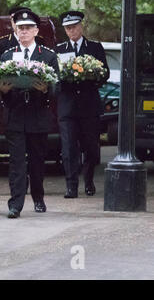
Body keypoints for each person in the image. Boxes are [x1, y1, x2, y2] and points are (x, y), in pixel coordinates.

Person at [0, 10, 59, 218]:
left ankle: (38, 197)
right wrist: (3, 91)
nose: (23, 32)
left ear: (36, 31)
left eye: (27, 28)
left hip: (38, 116)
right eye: (20, 28)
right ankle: (15, 204)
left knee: (37, 161)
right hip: (15, 116)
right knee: (16, 162)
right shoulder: (7, 55)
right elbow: (0, 88)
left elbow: (56, 88)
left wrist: (45, 90)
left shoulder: (48, 55)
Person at [55, 11, 109, 198]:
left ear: (81, 27)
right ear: (65, 30)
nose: (72, 31)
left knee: (91, 148)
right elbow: (54, 78)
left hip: (88, 106)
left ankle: (89, 180)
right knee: (68, 149)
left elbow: (105, 74)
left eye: (75, 27)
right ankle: (71, 186)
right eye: (68, 28)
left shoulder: (94, 47)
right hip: (67, 107)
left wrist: (91, 76)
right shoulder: (59, 49)